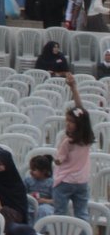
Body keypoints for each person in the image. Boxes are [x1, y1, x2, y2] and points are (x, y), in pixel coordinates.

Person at [51, 74, 92, 221]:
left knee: (60, 213)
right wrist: (74, 87)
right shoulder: (86, 138)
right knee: (82, 214)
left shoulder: (67, 141)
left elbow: (59, 161)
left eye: (71, 121)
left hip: (65, 181)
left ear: (78, 124)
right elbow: (81, 110)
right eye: (67, 120)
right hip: (82, 181)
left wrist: (55, 160)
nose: (67, 123)